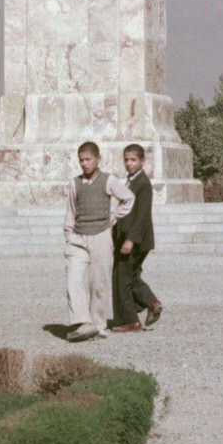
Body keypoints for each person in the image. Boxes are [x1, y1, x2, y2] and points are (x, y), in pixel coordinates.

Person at [62, 142, 134, 342]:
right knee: (73, 278)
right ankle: (82, 322)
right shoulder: (74, 183)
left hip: (101, 236)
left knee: (99, 283)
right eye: (81, 160)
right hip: (78, 237)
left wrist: (112, 217)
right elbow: (71, 211)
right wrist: (68, 235)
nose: (84, 164)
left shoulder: (108, 180)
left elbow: (128, 198)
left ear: (97, 159)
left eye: (88, 160)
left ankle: (98, 325)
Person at [110, 144, 163, 332]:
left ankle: (130, 320)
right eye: (126, 159)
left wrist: (130, 239)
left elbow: (141, 215)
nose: (128, 163)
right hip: (131, 237)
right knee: (131, 275)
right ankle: (152, 302)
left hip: (136, 240)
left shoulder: (142, 183)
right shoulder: (132, 181)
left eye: (133, 160)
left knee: (122, 277)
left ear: (142, 161)